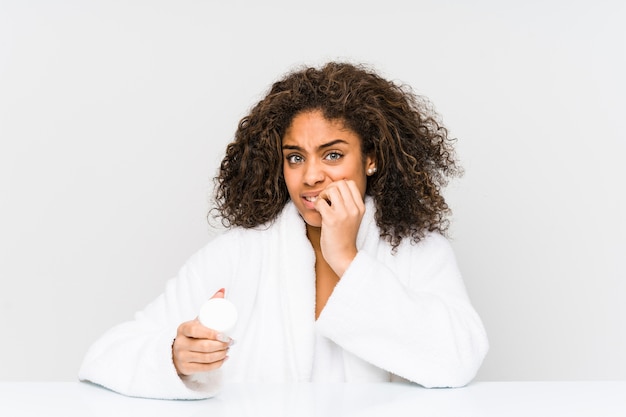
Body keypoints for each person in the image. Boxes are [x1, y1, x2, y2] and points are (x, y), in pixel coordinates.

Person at [78, 61, 489, 400]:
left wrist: (347, 256)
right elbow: (106, 355)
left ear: (371, 160)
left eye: (332, 154)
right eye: (295, 158)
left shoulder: (417, 251)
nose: (311, 176)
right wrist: (175, 356)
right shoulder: (240, 253)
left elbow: (457, 361)